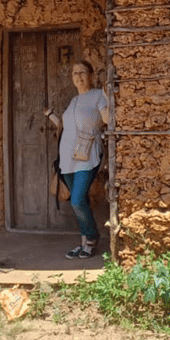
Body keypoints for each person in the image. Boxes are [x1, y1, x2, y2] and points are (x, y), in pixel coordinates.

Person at [43, 60, 108, 259]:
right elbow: (64, 126)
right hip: (68, 158)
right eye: (74, 73)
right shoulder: (73, 101)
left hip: (87, 155)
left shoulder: (98, 96)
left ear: (90, 75)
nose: (78, 77)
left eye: (82, 72)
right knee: (77, 200)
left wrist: (107, 97)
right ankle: (83, 243)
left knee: (78, 199)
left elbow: (107, 120)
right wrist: (51, 115)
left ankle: (91, 238)